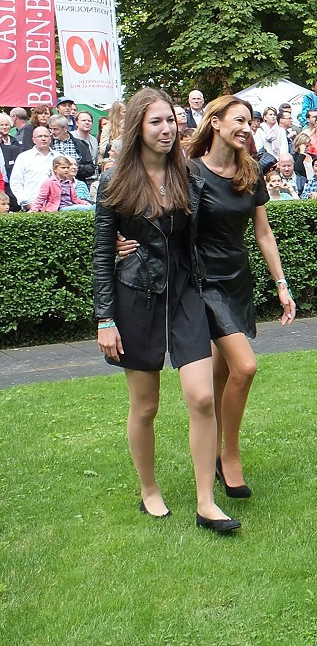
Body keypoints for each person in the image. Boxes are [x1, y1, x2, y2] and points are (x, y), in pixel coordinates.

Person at [93, 87, 238, 533]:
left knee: (200, 396)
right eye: (155, 121)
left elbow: (215, 225)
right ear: (138, 126)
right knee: (145, 406)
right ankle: (149, 490)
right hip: (136, 295)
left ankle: (206, 502)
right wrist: (105, 319)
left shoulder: (188, 175)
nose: (166, 129)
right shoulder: (114, 181)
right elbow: (101, 254)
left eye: (170, 121)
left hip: (186, 296)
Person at [185, 95, 296, 499]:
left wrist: (281, 285)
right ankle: (228, 455)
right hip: (202, 283)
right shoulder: (190, 170)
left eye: (250, 120)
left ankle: (212, 448)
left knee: (222, 374)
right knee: (245, 368)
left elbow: (263, 233)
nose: (246, 126)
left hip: (237, 280)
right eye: (238, 119)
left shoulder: (249, 170)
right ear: (214, 122)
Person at [8, 126, 58, 209]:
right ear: (33, 140)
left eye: (46, 136)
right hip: (31, 205)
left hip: (57, 206)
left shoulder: (59, 157)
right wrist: (27, 203)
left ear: (50, 139)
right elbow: (16, 183)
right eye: (39, 136)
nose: (43, 139)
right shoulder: (23, 157)